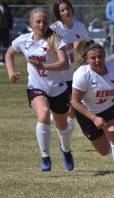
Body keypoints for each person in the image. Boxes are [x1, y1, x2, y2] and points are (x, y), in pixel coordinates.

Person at [5, 8, 75, 172]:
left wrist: (43, 65)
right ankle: (45, 157)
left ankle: (65, 150)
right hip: (36, 87)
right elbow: (9, 54)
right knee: (43, 113)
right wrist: (11, 73)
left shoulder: (55, 39)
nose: (42, 24)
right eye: (38, 21)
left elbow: (64, 64)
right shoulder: (23, 40)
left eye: (44, 21)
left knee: (62, 126)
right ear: (31, 23)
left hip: (58, 89)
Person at [71, 39, 114, 185]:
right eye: (93, 58)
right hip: (86, 113)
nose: (97, 60)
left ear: (105, 56)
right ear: (86, 60)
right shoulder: (82, 75)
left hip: (110, 108)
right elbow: (75, 102)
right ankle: (110, 147)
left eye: (100, 56)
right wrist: (94, 118)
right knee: (103, 151)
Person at [51, 0, 89, 132]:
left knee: (73, 106)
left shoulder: (79, 26)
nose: (66, 12)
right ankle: (55, 120)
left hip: (75, 72)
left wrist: (81, 45)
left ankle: (66, 138)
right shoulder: (54, 29)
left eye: (67, 8)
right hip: (60, 74)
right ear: (58, 14)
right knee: (62, 109)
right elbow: (48, 50)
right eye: (62, 10)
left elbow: (86, 47)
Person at [0, 0, 13, 66]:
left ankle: (3, 59)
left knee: (5, 45)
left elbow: (10, 17)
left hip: (5, 29)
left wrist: (10, 27)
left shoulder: (6, 6)